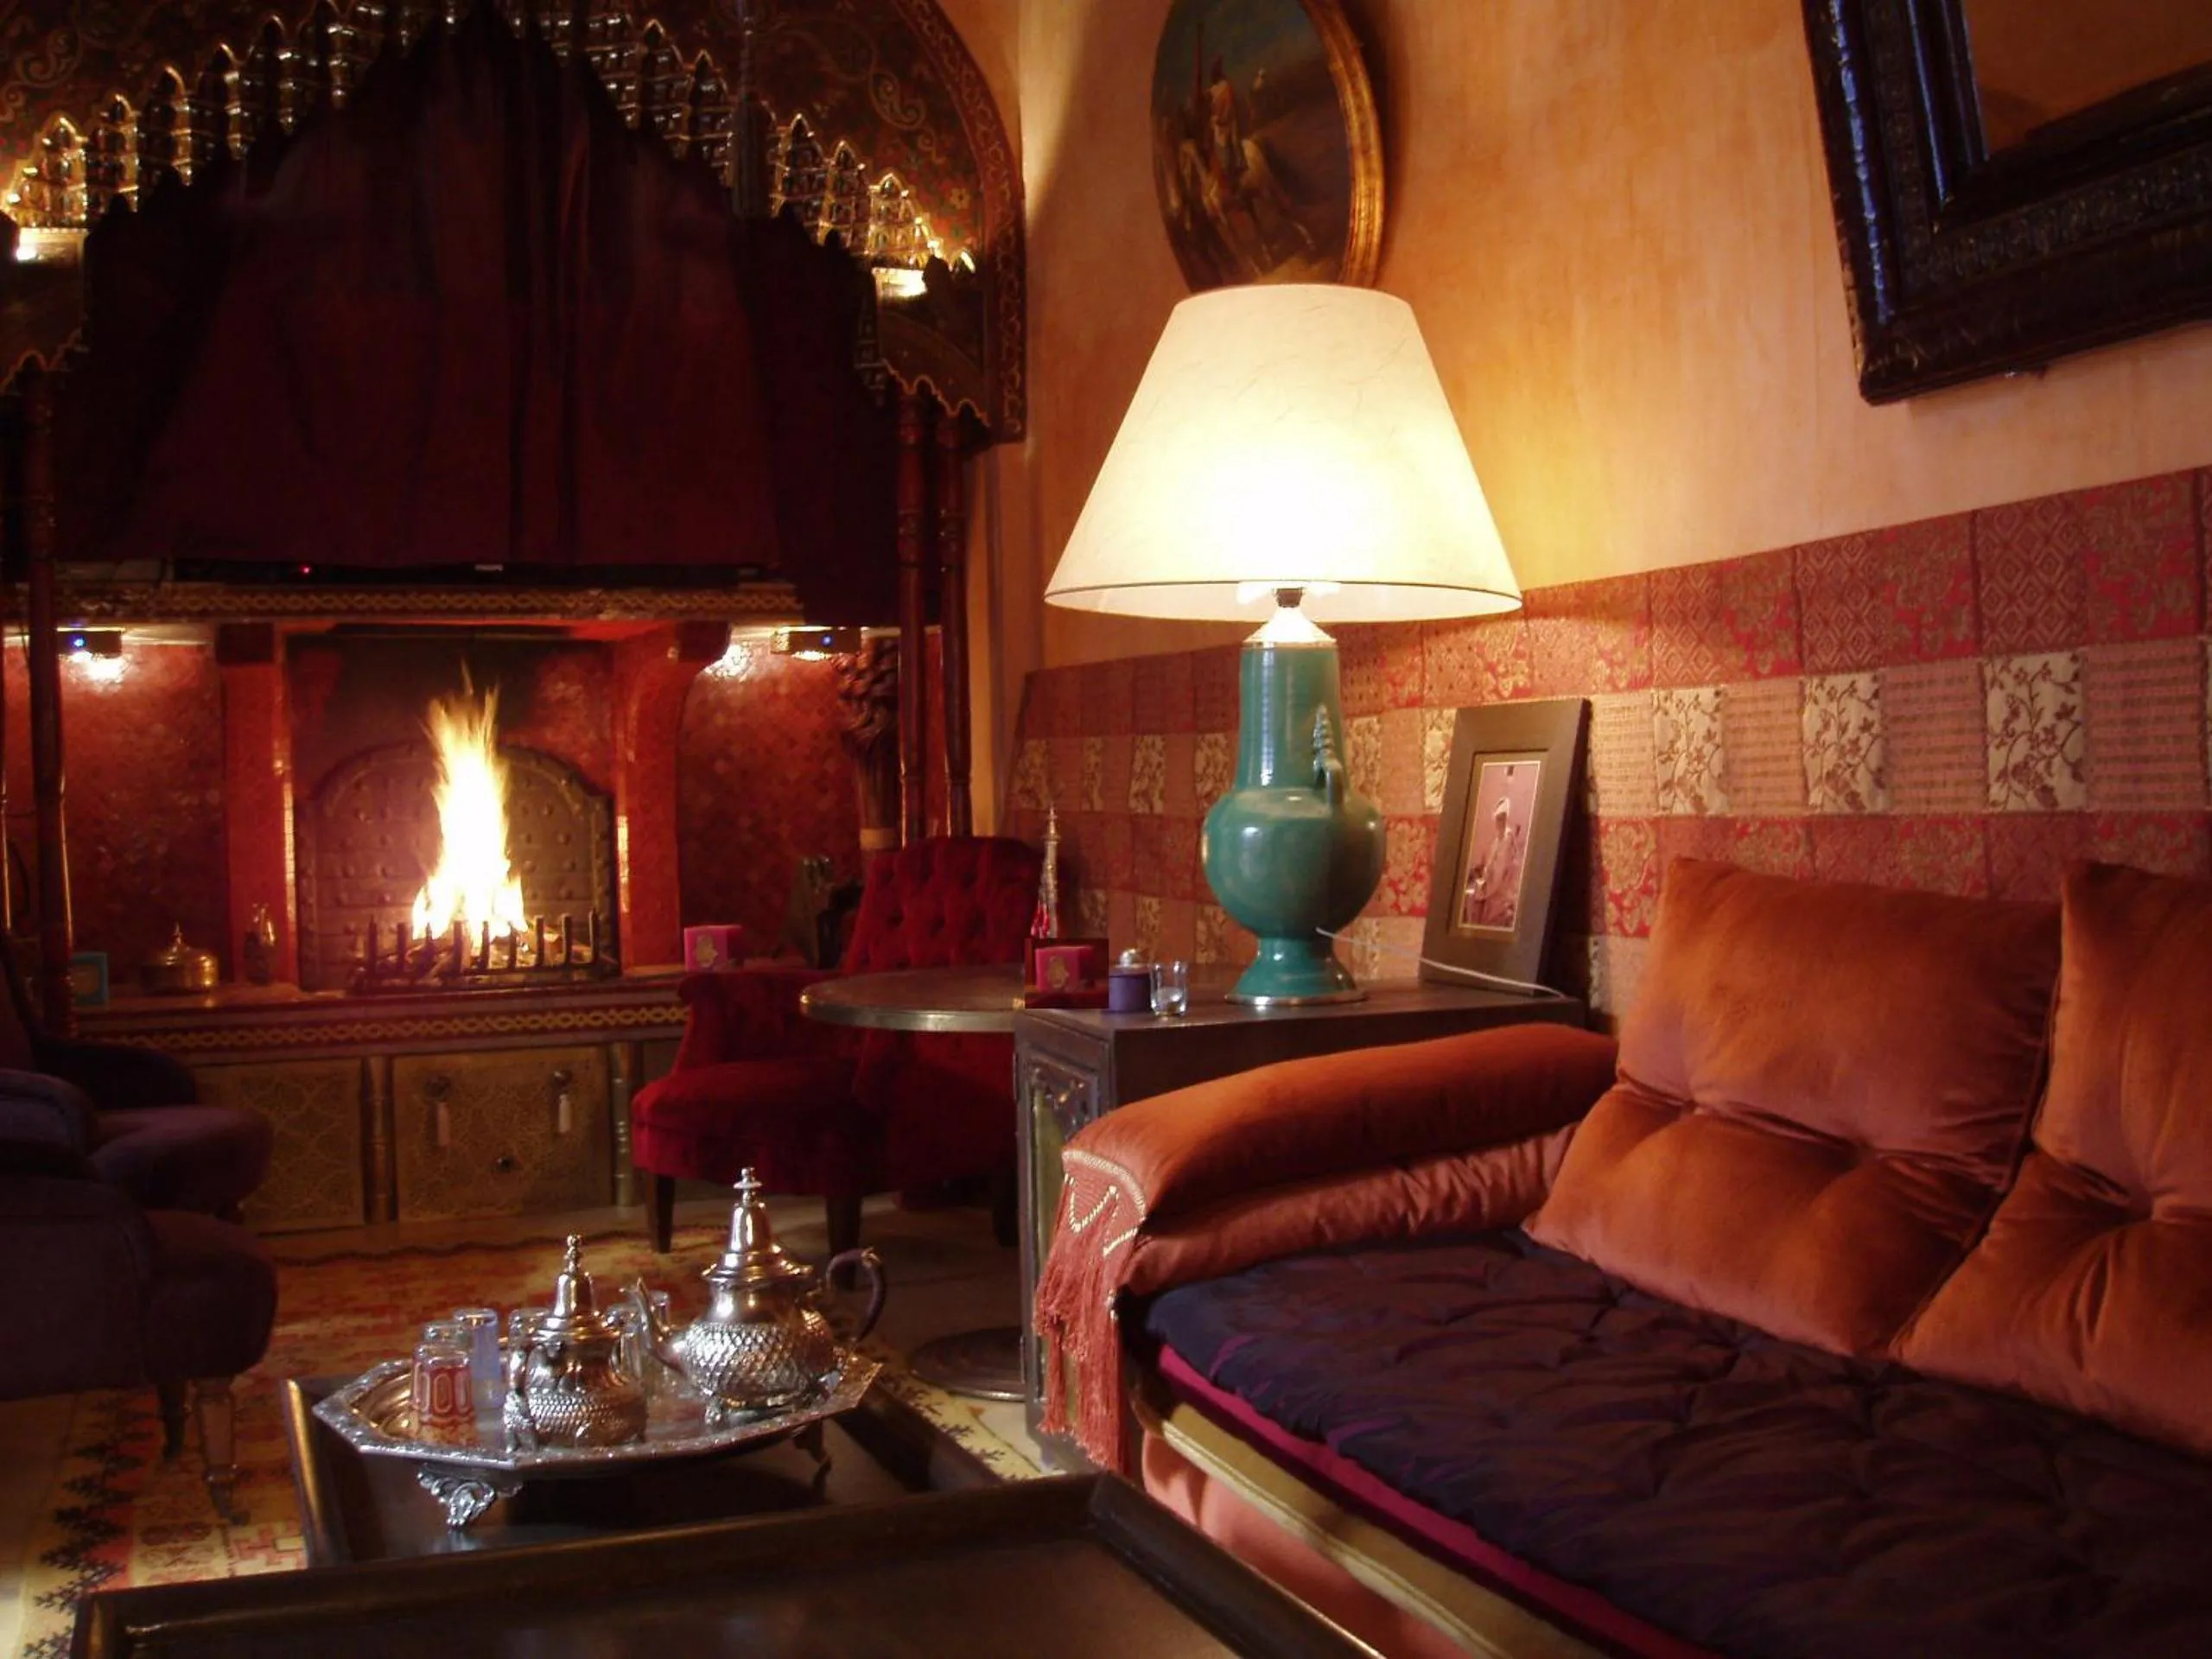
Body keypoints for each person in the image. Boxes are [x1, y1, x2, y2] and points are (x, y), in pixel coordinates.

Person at [1462, 789, 1526, 930]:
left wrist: (1482, 888)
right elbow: (1489, 867)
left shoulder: (1507, 842)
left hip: (1500, 896)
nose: (1498, 822)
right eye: (1497, 818)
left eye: (1501, 818)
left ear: (1506, 819)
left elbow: (1498, 876)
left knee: (1473, 903)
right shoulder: (1498, 839)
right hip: (1492, 890)